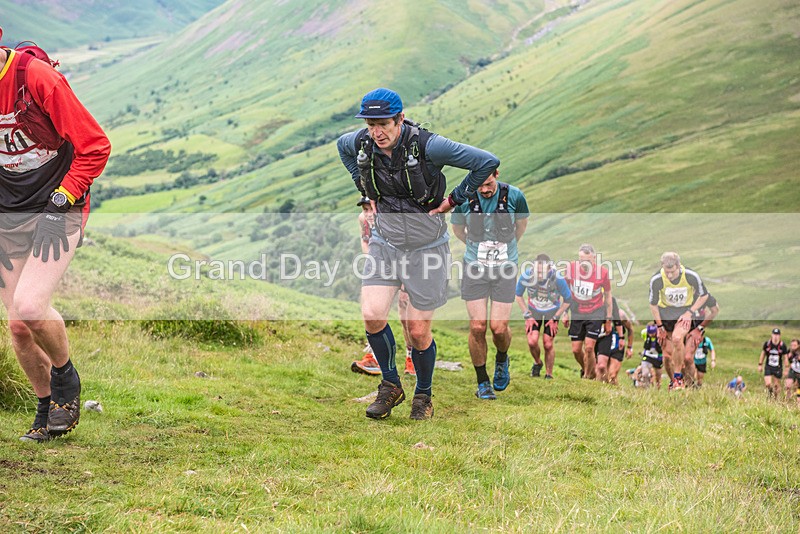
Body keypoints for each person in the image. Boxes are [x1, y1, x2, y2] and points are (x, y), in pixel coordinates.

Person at [338, 88, 499, 420]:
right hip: (386, 244)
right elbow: (342, 147)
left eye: (383, 124)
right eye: (370, 124)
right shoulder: (361, 143)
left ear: (400, 118)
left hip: (427, 250)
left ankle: (423, 396)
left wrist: (455, 198)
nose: (376, 132)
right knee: (372, 314)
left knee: (418, 330)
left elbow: (486, 162)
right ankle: (391, 386)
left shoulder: (428, 145)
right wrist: (365, 192)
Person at [0, 38, 111, 442]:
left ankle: (66, 378)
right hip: (8, 215)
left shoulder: (38, 79)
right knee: (17, 326)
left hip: (58, 206)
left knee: (31, 306)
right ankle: (48, 408)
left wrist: (61, 200)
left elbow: (95, 146)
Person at [451, 169, 528, 399]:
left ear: (496, 174)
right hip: (474, 268)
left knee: (498, 327)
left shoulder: (514, 196)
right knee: (477, 327)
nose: (484, 190)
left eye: (488, 184)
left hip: (505, 269)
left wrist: (505, 251)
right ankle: (482, 381)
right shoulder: (464, 198)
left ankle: (502, 358)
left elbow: (520, 226)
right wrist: (477, 248)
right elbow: (457, 229)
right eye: (480, 186)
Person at [351, 198, 415, 376]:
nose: (368, 214)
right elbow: (365, 241)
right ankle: (375, 357)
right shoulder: (363, 219)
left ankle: (412, 358)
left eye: (371, 209)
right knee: (373, 312)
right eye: (365, 209)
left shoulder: (395, 218)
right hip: (380, 265)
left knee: (406, 314)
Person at [648, 252, 708, 390]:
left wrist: (690, 312)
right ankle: (673, 383)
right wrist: (659, 326)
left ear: (679, 266)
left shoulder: (691, 276)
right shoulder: (657, 279)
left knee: (677, 338)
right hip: (665, 315)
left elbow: (704, 296)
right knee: (668, 357)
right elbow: (653, 304)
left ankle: (679, 379)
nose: (669, 275)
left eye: (672, 272)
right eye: (666, 271)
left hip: (684, 313)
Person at [514, 254, 571, 380]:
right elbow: (518, 295)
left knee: (548, 343)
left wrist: (556, 317)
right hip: (534, 310)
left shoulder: (558, 278)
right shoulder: (527, 275)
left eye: (542, 272)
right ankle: (538, 362)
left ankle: (549, 374)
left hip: (552, 310)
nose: (539, 275)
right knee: (532, 341)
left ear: (549, 269)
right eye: (537, 271)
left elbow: (568, 299)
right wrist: (527, 315)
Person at [564, 244, 612, 379]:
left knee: (589, 348)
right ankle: (588, 370)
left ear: (594, 259)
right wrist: (564, 312)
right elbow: (566, 292)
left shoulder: (602, 273)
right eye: (581, 260)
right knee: (576, 350)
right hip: (577, 311)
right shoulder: (570, 269)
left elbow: (608, 295)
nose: (584, 264)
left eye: (588, 261)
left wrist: (608, 319)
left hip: (595, 312)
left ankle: (587, 376)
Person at [595, 297, 633, 385]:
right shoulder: (600, 314)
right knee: (603, 373)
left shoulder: (621, 314)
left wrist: (629, 348)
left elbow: (630, 329)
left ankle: (616, 393)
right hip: (604, 344)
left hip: (617, 346)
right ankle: (604, 392)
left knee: (612, 375)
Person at [758, 328, 788, 399]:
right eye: (774, 334)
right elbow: (763, 354)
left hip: (778, 367)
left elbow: (785, 357)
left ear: (779, 336)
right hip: (768, 366)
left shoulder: (782, 345)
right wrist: (760, 364)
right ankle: (769, 394)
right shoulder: (767, 344)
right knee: (768, 384)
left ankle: (775, 398)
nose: (775, 336)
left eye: (777, 335)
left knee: (776, 386)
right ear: (772, 335)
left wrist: (786, 368)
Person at [640, 324, 664, 389]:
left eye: (653, 333)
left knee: (658, 376)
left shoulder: (661, 334)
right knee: (645, 373)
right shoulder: (645, 333)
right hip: (647, 355)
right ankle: (645, 388)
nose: (651, 335)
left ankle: (658, 389)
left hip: (658, 357)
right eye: (650, 333)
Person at [785, 339, 800, 405]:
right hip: (793, 370)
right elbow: (787, 362)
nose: (793, 347)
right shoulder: (789, 351)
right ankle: (787, 399)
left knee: (798, 388)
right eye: (792, 345)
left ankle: (798, 400)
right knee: (788, 385)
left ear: (798, 345)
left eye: (795, 345)